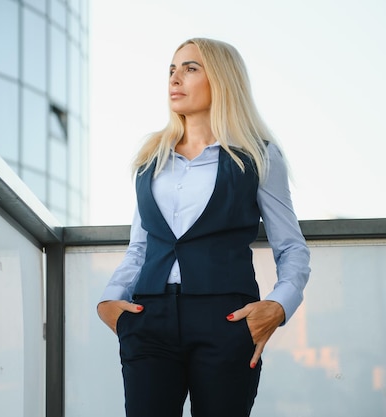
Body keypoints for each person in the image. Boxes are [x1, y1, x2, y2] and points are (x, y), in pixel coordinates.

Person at [97, 38, 311, 417]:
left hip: (226, 320)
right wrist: (110, 302)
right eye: (171, 69)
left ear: (222, 80)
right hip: (150, 317)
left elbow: (291, 247)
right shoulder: (152, 158)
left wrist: (278, 307)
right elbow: (141, 248)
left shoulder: (258, 155)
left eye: (190, 68)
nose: (175, 78)